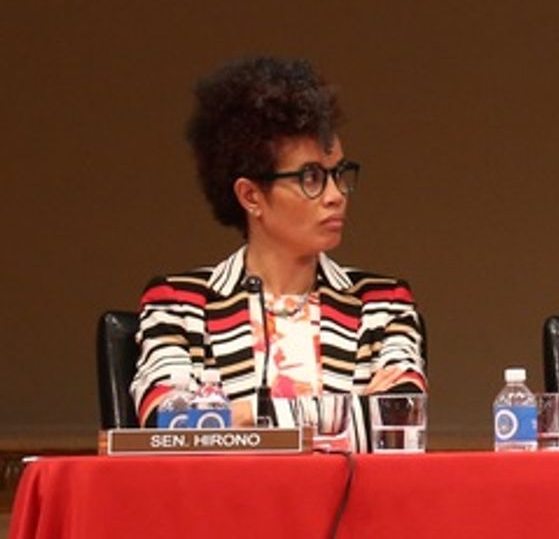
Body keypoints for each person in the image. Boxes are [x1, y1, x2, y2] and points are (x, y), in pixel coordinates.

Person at [132, 56, 425, 445]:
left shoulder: (383, 302)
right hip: (223, 505)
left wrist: (240, 416)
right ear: (251, 196)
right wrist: (348, 409)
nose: (336, 196)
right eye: (311, 178)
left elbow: (399, 416)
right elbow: (167, 427)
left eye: (339, 174)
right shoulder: (179, 304)